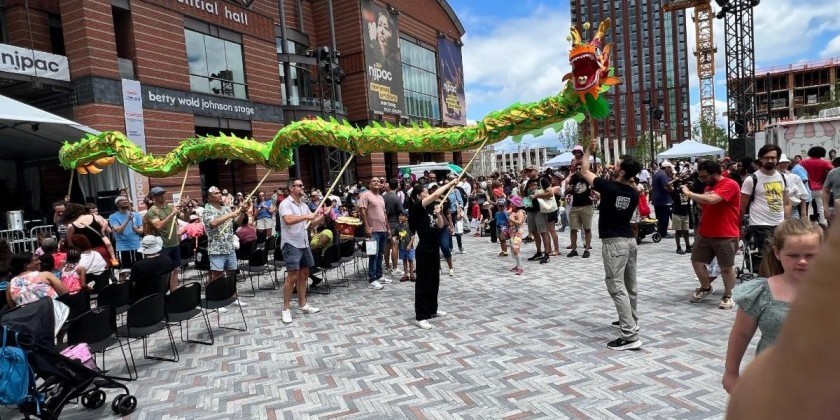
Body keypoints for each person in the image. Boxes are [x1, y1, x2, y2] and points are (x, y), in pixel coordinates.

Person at [722, 219, 823, 394]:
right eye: (793, 255)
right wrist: (731, 373)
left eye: (810, 255)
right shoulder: (761, 291)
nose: (802, 262)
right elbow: (741, 334)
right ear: (777, 253)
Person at [579, 139, 642, 350]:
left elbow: (585, 169)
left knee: (616, 287)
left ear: (623, 172)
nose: (612, 166)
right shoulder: (633, 192)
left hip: (614, 243)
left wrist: (588, 149)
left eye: (616, 164)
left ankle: (629, 335)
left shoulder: (609, 186)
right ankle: (632, 321)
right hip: (629, 241)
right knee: (630, 285)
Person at [682, 160, 741, 309]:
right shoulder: (709, 186)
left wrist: (689, 194)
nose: (703, 179)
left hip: (725, 233)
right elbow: (704, 205)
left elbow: (713, 200)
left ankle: (728, 295)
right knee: (697, 262)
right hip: (705, 232)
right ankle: (706, 287)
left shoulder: (730, 184)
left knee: (726, 267)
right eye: (701, 177)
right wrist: (697, 198)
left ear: (715, 173)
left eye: (705, 176)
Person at [408, 178, 458, 329]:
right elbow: (436, 195)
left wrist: (438, 215)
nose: (426, 193)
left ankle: (432, 309)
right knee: (423, 283)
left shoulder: (430, 209)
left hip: (434, 248)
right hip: (423, 249)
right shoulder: (416, 208)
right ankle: (421, 316)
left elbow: (440, 226)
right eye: (424, 192)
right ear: (418, 196)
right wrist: (450, 183)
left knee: (434, 280)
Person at [278, 179, 323, 324]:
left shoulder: (303, 205)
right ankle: (285, 309)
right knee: (292, 276)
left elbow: (312, 223)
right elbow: (288, 220)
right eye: (300, 185)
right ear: (292, 188)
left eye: (303, 185)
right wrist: (307, 216)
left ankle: (302, 304)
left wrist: (323, 215)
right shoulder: (285, 204)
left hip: (304, 243)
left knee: (304, 273)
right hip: (291, 243)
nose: (303, 187)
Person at [740, 144, 791, 268]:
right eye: (767, 158)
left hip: (779, 223)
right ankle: (769, 282)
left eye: (773, 158)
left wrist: (787, 222)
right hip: (760, 224)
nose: (770, 160)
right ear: (761, 159)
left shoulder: (783, 177)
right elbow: (742, 205)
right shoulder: (752, 179)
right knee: (769, 255)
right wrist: (739, 226)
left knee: (782, 254)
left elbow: (787, 202)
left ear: (777, 159)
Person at [203, 186, 248, 284]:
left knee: (232, 273)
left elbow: (237, 223)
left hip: (229, 247)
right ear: (209, 198)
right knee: (217, 275)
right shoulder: (207, 210)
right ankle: (216, 297)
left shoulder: (226, 209)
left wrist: (242, 212)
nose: (219, 195)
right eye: (216, 193)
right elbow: (213, 224)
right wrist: (229, 215)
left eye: (219, 193)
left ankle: (233, 297)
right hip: (216, 249)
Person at [144, 186, 184, 291]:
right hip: (162, 245)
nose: (162, 196)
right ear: (153, 197)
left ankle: (174, 292)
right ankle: (162, 292)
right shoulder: (152, 211)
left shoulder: (170, 207)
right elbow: (158, 226)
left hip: (174, 243)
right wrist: (172, 215)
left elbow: (185, 218)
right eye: (159, 194)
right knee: (164, 271)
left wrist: (185, 208)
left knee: (175, 269)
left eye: (163, 194)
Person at [64, 202, 119, 267]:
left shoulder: (71, 226)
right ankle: (113, 258)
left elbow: (71, 244)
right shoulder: (94, 216)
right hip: (102, 250)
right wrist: (102, 231)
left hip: (85, 255)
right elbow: (108, 230)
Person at [358, 177, 390, 289]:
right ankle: (372, 279)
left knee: (380, 253)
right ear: (369, 184)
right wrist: (366, 227)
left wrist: (388, 228)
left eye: (378, 181)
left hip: (383, 230)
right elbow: (362, 211)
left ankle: (379, 275)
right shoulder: (365, 195)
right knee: (373, 255)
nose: (376, 182)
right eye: (373, 181)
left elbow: (384, 214)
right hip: (373, 230)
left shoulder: (381, 197)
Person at [108, 196, 144, 281]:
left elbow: (141, 231)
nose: (125, 202)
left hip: (137, 247)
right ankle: (124, 290)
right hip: (122, 248)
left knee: (139, 270)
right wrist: (127, 220)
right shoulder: (113, 217)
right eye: (122, 201)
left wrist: (136, 229)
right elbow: (118, 231)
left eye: (126, 200)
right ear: (117, 204)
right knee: (123, 271)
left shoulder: (137, 215)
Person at [524, 168, 552, 263]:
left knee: (543, 231)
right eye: (527, 171)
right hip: (530, 209)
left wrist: (536, 196)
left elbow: (550, 193)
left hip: (540, 209)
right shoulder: (528, 182)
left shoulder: (542, 180)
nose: (528, 173)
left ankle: (547, 253)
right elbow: (525, 195)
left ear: (536, 171)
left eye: (530, 171)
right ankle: (538, 252)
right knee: (534, 232)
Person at [800, 146, 833, 225]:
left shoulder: (803, 162)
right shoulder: (825, 162)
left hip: (807, 188)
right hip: (820, 188)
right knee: (821, 208)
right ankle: (823, 224)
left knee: (807, 207)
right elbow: (833, 170)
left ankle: (806, 224)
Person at [566, 167, 594, 258]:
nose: (579, 170)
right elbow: (567, 191)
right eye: (577, 169)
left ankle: (586, 249)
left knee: (587, 228)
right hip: (575, 206)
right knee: (573, 229)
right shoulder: (573, 178)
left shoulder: (588, 177)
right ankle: (574, 249)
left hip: (587, 206)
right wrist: (567, 190)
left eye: (580, 168)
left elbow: (595, 185)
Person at [666, 174, 693, 254]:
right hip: (677, 214)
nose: (681, 185)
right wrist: (675, 179)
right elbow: (668, 185)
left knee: (686, 231)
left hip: (685, 214)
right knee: (678, 231)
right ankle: (678, 247)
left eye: (682, 184)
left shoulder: (687, 191)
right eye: (679, 184)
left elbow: (692, 184)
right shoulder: (675, 192)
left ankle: (688, 246)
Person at [383, 179, 404, 276]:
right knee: (395, 246)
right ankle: (395, 267)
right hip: (394, 223)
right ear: (396, 186)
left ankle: (387, 266)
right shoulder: (396, 198)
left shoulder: (383, 197)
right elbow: (401, 212)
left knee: (386, 246)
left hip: (384, 224)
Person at [651, 161, 674, 238]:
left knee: (660, 217)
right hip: (663, 200)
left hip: (657, 199)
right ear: (666, 167)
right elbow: (666, 187)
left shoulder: (657, 174)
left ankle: (661, 231)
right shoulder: (663, 175)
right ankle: (663, 232)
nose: (670, 170)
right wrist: (672, 190)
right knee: (664, 217)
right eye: (670, 168)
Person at [507, 196, 527, 275]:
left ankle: (520, 267)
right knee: (513, 249)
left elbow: (519, 222)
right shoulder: (514, 211)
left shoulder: (520, 212)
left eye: (512, 203)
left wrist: (511, 219)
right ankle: (517, 265)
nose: (511, 204)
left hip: (518, 232)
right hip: (513, 231)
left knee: (516, 249)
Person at [395, 211, 415, 282]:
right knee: (404, 260)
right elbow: (396, 235)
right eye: (399, 215)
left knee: (410, 260)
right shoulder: (397, 226)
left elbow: (413, 236)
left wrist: (409, 245)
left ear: (406, 217)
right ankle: (406, 274)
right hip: (402, 246)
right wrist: (396, 239)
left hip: (409, 246)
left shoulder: (410, 226)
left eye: (402, 216)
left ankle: (412, 274)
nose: (400, 217)